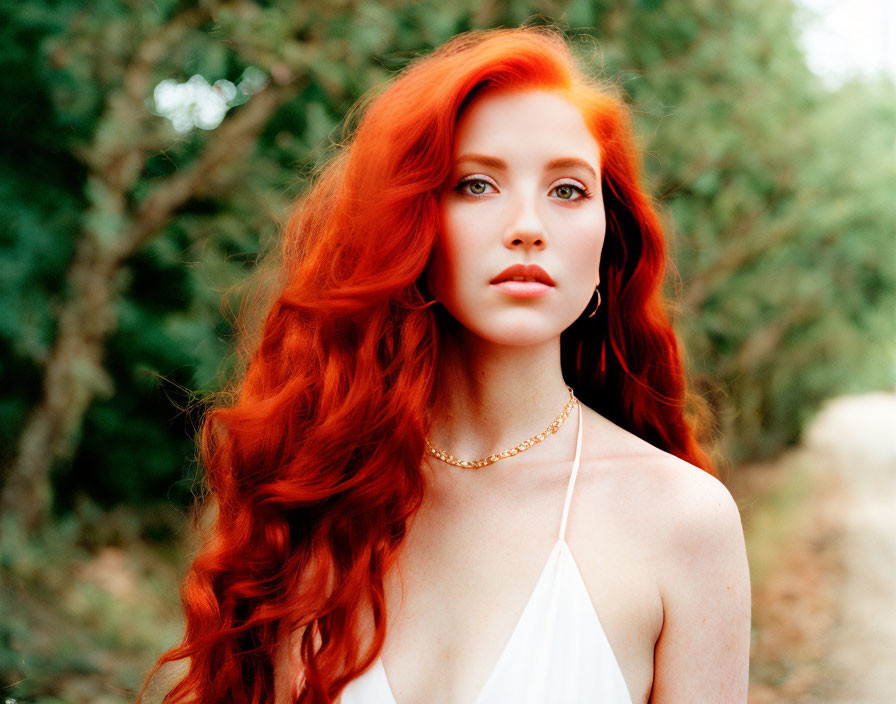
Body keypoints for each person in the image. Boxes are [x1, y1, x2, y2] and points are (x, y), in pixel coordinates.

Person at [141, 25, 750, 704]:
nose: (528, 224)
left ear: (609, 250)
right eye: (477, 184)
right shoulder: (315, 498)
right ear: (409, 225)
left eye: (569, 190)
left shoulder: (683, 522)